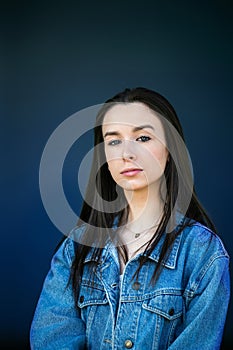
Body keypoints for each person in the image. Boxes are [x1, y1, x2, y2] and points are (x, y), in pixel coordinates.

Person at [30, 87, 230, 350]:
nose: (127, 153)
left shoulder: (203, 253)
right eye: (113, 141)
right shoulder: (76, 248)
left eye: (143, 138)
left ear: (170, 149)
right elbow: (51, 340)